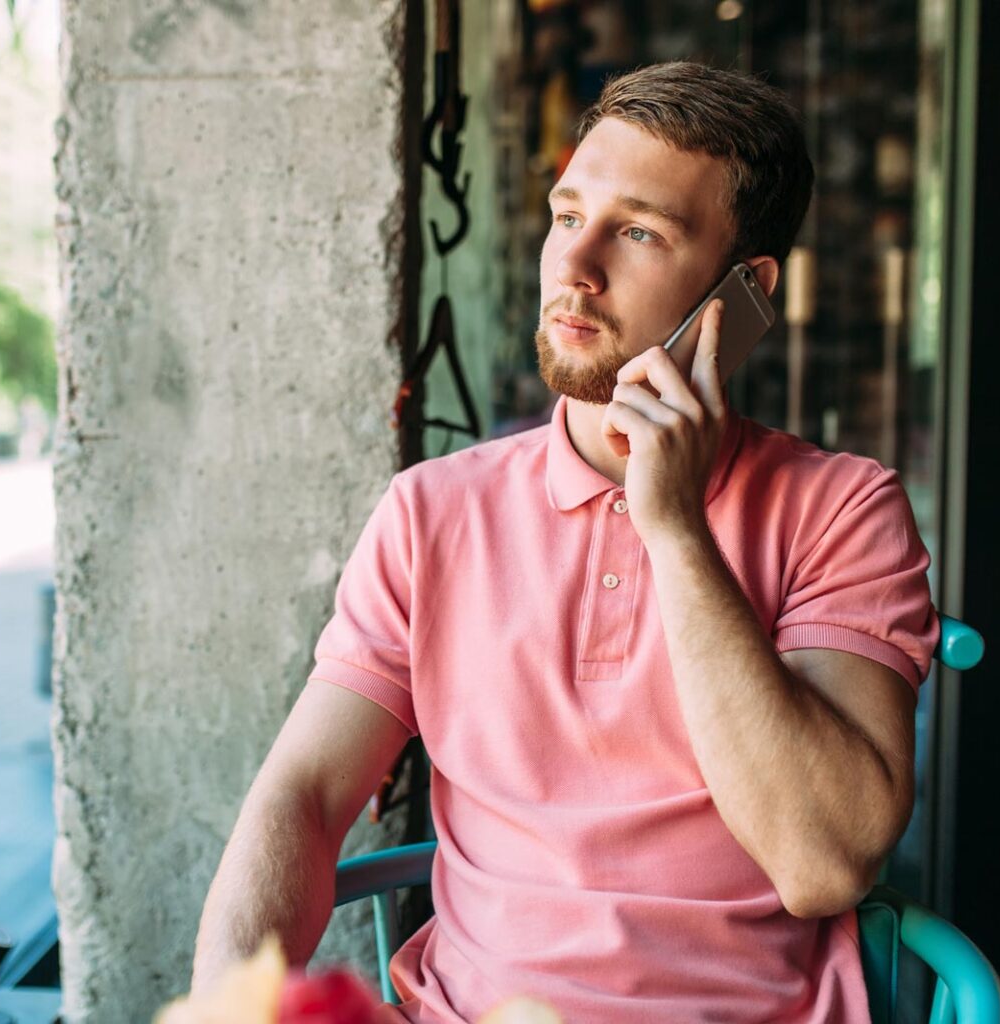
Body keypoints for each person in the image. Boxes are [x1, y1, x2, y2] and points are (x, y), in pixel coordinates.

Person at [192, 60, 939, 1023]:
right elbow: (300, 796)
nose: (575, 268)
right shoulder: (431, 514)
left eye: (637, 232)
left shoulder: (845, 510)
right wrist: (222, 1007)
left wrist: (674, 528)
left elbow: (823, 861)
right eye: (565, 214)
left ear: (744, 293)